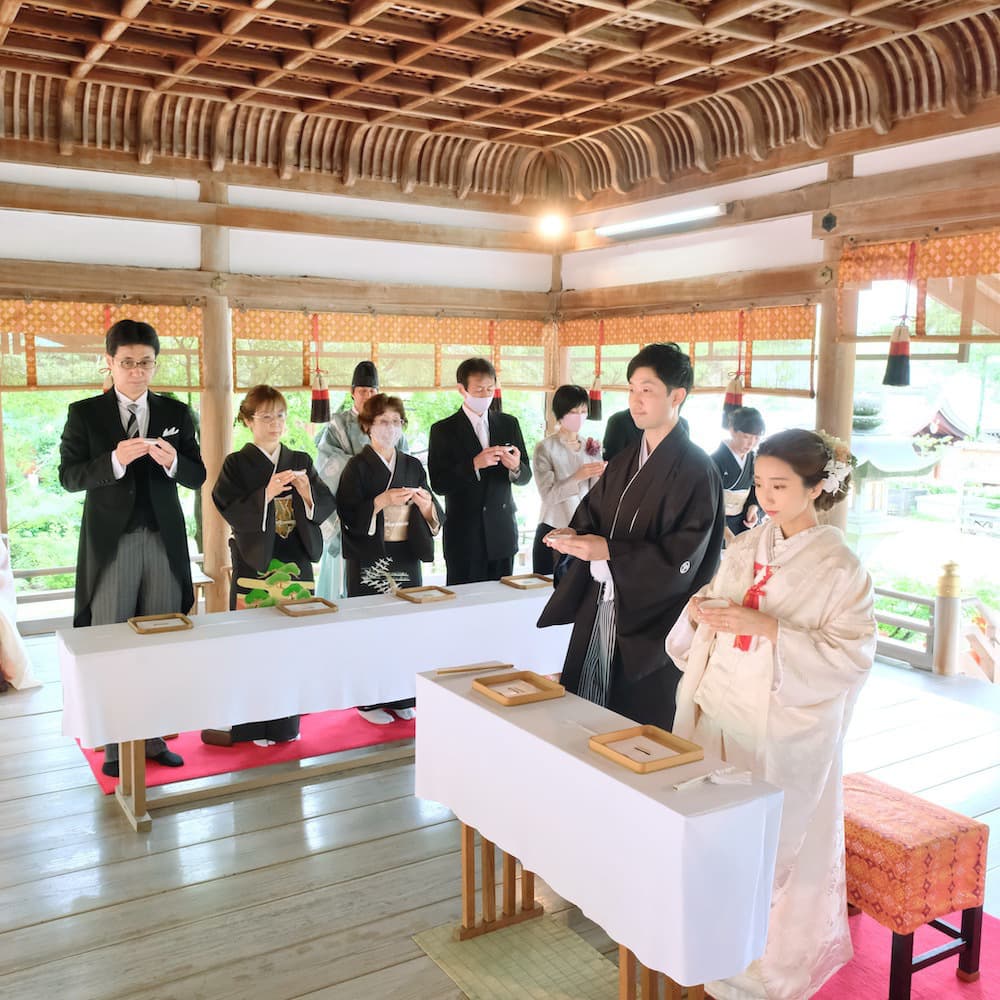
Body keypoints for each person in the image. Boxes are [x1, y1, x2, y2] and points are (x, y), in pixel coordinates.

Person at [667, 429, 876, 1000]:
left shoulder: (841, 567)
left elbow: (851, 655)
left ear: (816, 488)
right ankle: (708, 945)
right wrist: (699, 611)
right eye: (760, 483)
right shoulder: (745, 545)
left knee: (771, 846)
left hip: (779, 724)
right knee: (714, 837)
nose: (766, 496)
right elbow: (713, 606)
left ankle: (768, 970)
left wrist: (770, 629)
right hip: (720, 710)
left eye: (781, 486)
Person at [537, 343, 724, 729]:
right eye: (632, 390)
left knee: (634, 726)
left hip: (651, 621)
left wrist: (608, 551)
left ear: (677, 396)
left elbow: (684, 557)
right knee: (583, 712)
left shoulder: (696, 470)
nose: (636, 401)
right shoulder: (624, 460)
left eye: (648, 390)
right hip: (602, 604)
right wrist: (574, 534)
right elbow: (593, 514)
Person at [59, 318, 206, 777]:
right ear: (109, 363)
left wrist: (175, 461)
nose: (137, 372)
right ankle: (113, 743)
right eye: (127, 363)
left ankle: (155, 735)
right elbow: (69, 477)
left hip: (164, 541)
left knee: (161, 639)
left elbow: (198, 476)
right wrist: (115, 461)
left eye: (145, 363)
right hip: (112, 544)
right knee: (111, 641)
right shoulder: (84, 413)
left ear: (154, 364)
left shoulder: (176, 413)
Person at [204, 385, 335, 746]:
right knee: (251, 645)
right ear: (248, 421)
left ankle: (285, 725)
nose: (275, 423)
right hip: (254, 563)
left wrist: (306, 494)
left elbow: (324, 503)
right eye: (265, 416)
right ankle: (250, 726)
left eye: (280, 415)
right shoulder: (237, 463)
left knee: (290, 646)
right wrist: (265, 494)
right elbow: (225, 504)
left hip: (295, 562)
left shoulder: (300, 459)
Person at [337, 393, 443, 725]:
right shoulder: (356, 466)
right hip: (371, 556)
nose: (391, 428)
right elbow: (347, 513)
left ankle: (402, 696)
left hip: (406, 554)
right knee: (372, 631)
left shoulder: (412, 464)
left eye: (396, 421)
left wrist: (427, 507)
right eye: (383, 421)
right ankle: (369, 701)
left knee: (406, 628)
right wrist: (380, 501)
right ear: (367, 426)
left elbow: (433, 511)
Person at [428, 357, 532, 585]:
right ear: (462, 389)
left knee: (502, 603)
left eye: (489, 389)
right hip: (464, 534)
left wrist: (515, 467)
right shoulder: (443, 430)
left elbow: (526, 476)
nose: (485, 395)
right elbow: (438, 483)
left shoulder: (508, 423)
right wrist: (473, 464)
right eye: (478, 390)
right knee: (464, 606)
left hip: (502, 531)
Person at [315, 361, 407, 600]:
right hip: (351, 507)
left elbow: (404, 462)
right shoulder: (338, 424)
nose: (367, 396)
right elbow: (326, 463)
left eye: (372, 391)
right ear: (352, 392)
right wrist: (364, 468)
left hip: (389, 512)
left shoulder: (391, 423)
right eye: (362, 391)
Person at [532, 384, 605, 575]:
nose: (579, 416)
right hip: (553, 528)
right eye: (573, 411)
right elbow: (548, 496)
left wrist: (602, 475)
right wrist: (577, 476)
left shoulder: (592, 445)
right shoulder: (545, 448)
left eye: (583, 411)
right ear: (561, 413)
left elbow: (596, 495)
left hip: (583, 532)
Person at [712, 406, 765, 542]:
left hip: (742, 520)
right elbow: (706, 500)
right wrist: (725, 532)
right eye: (746, 437)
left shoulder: (753, 459)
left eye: (756, 438)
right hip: (717, 524)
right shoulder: (714, 461)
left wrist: (753, 507)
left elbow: (756, 487)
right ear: (732, 431)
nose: (751, 443)